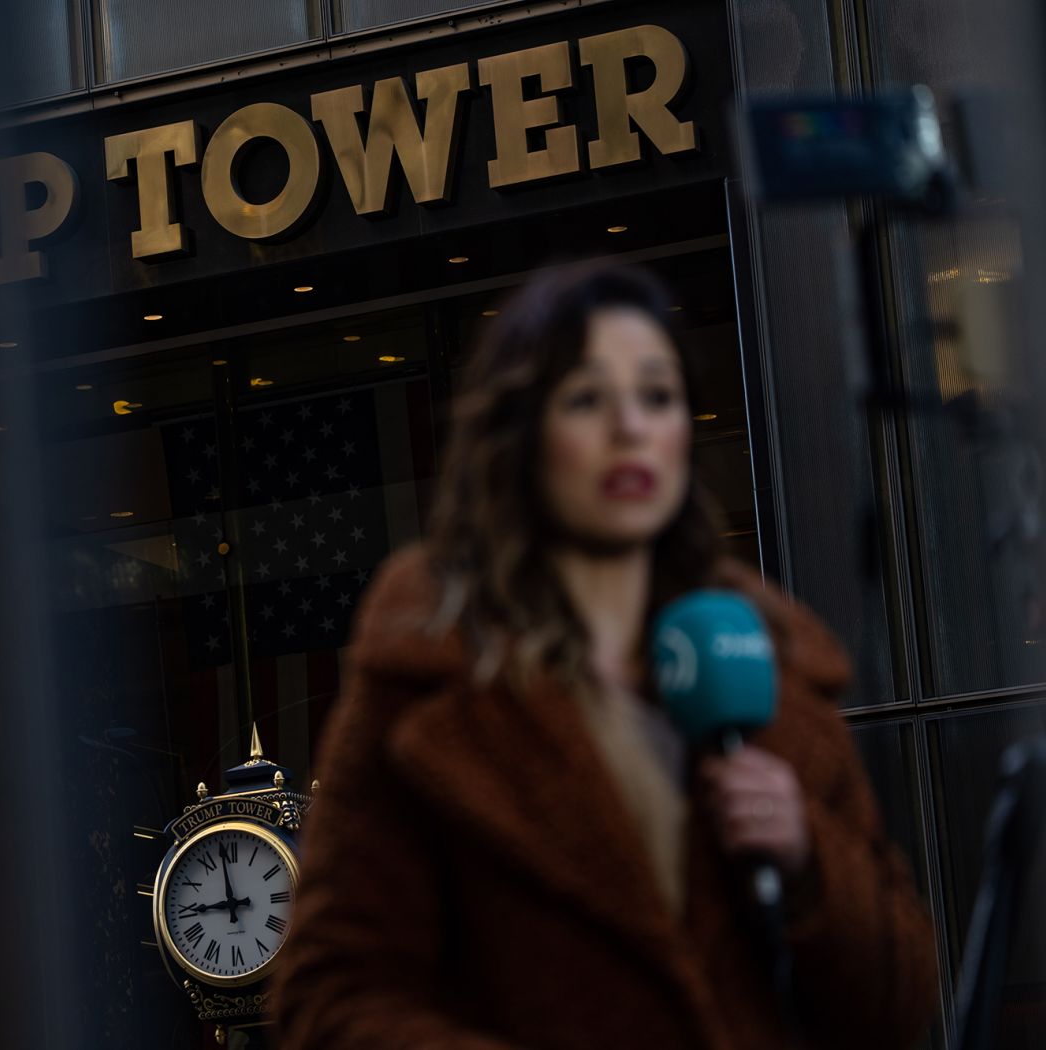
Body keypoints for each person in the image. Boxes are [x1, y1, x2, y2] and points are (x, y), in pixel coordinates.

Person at [269, 263, 937, 1049]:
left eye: (657, 396)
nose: (631, 427)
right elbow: (328, 994)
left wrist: (807, 857)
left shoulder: (767, 664)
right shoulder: (430, 673)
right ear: (521, 435)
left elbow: (901, 1003)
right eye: (587, 398)